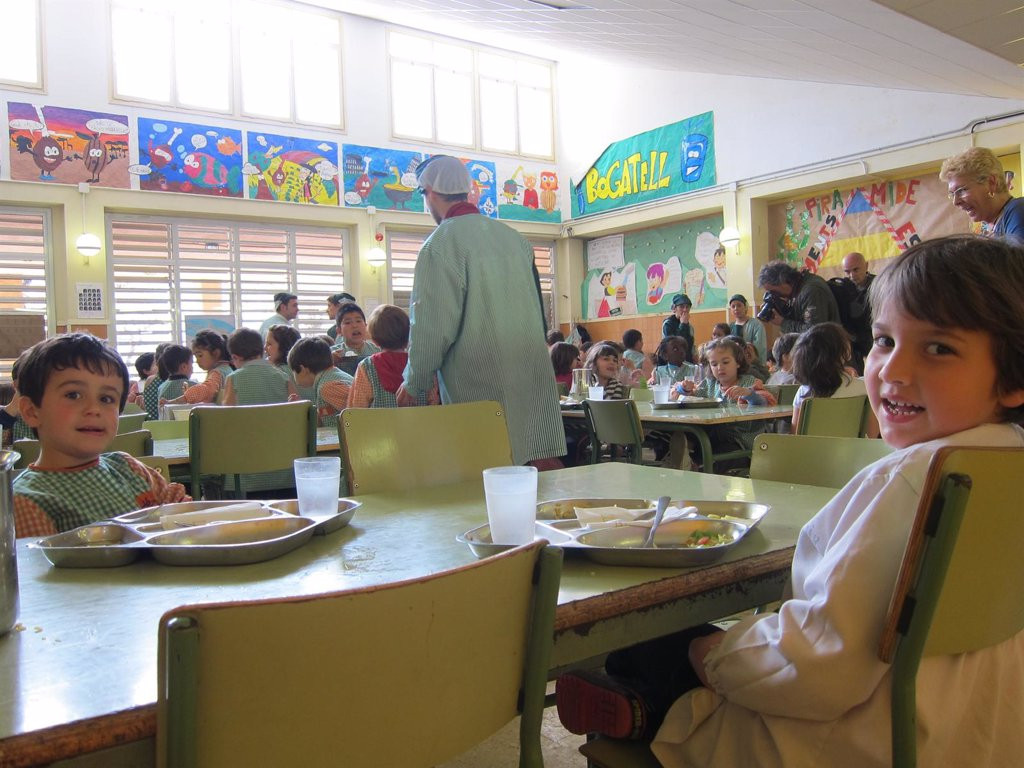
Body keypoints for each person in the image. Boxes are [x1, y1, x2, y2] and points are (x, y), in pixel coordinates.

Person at [555, 235, 1024, 768]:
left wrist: (716, 654)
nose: (892, 371)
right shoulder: (1002, 464)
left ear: (1013, 375)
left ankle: (645, 710)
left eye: (938, 348)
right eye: (885, 341)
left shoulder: (916, 479)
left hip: (857, 737)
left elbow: (820, 667)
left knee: (663, 645)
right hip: (972, 722)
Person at [396, 155, 565, 467]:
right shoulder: (514, 239)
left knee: (487, 474)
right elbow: (539, 314)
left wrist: (414, 382)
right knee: (534, 470)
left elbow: (431, 329)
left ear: (429, 192)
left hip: (479, 379)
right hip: (531, 373)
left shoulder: (439, 245)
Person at [12, 333, 189, 538]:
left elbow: (186, 517)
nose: (94, 409)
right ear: (32, 411)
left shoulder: (129, 469)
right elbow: (42, 567)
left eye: (106, 398)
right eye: (73, 395)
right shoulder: (26, 500)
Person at [790, 322, 878, 436]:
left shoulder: (803, 393)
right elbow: (872, 434)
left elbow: (795, 436)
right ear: (844, 350)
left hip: (813, 452)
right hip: (854, 452)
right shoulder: (864, 388)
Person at [347, 304, 434, 409]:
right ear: (409, 336)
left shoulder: (367, 366)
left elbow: (357, 408)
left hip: (380, 424)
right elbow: (433, 401)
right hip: (419, 423)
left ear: (374, 341)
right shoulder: (423, 364)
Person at [940, 147, 1023, 243]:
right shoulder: (995, 225)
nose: (956, 202)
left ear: (991, 183)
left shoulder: (1018, 211)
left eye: (962, 190)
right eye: (952, 194)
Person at [758, 260, 841, 333]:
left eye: (773, 291)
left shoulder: (811, 291)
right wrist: (782, 311)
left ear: (783, 282)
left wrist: (783, 323)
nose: (773, 295)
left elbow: (814, 332)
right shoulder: (799, 287)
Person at [287, 336, 353, 425]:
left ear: (302, 369)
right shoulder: (330, 376)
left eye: (293, 371)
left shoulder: (327, 387)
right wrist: (300, 409)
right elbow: (326, 414)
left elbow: (358, 410)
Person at [221, 328, 289, 406]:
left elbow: (227, 413)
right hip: (278, 418)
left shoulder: (232, 379)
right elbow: (294, 406)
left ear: (235, 357)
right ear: (263, 351)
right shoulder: (284, 377)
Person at [162, 331, 232, 405]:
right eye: (195, 357)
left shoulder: (217, 373)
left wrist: (179, 400)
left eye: (200, 355)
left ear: (216, 353)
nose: (197, 361)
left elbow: (206, 390)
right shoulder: (227, 369)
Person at [837, 251, 875, 374]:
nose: (852, 275)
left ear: (867, 266)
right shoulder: (842, 289)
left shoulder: (879, 285)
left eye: (856, 270)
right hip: (852, 341)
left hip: (874, 337)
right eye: (847, 272)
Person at [265, 324, 303, 398]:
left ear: (284, 347)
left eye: (269, 344)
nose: (265, 348)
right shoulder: (305, 369)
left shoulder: (277, 373)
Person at [727, 294, 767, 362]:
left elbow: (759, 347)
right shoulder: (730, 326)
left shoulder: (756, 325)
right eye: (733, 306)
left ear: (745, 307)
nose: (736, 308)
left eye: (739, 305)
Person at [662, 294, 695, 362]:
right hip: (673, 362)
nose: (685, 310)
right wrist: (683, 324)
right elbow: (674, 344)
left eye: (687, 307)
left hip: (687, 361)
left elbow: (690, 345)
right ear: (674, 308)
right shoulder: (668, 324)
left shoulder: (690, 327)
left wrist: (694, 355)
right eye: (681, 307)